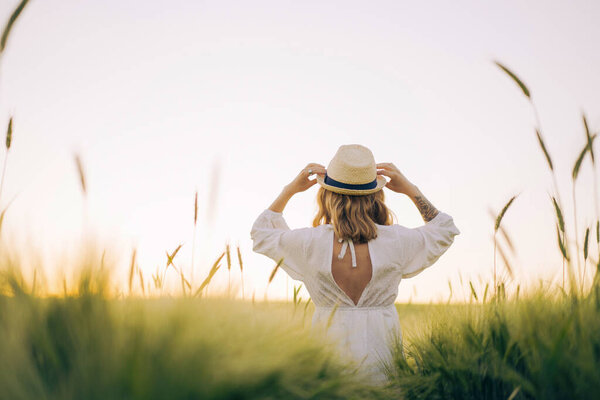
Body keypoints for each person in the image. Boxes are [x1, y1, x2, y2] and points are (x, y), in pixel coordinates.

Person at [250, 144, 460, 384]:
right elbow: (444, 228)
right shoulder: (397, 241)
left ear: (327, 195)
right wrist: (411, 190)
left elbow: (261, 231)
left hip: (328, 365)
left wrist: (290, 190)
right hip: (383, 364)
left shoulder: (309, 243)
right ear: (375, 196)